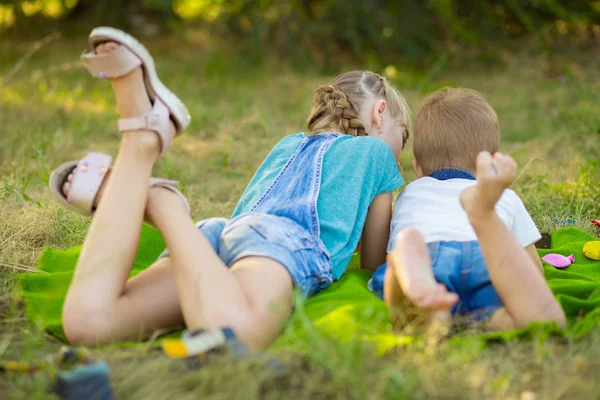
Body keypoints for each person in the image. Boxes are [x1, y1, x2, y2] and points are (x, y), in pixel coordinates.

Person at [49, 27, 411, 349]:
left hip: (223, 235)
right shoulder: (378, 153)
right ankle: (162, 204)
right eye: (403, 137)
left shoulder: (290, 143)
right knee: (237, 333)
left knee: (90, 324)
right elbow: (373, 263)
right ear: (380, 114)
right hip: (283, 245)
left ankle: (139, 142)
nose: (400, 153)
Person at [369, 88, 566, 331]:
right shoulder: (505, 196)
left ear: (418, 168)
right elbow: (533, 271)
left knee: (394, 275)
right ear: (491, 161)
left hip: (429, 253)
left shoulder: (411, 192)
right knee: (525, 318)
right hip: (485, 257)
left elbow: (385, 253)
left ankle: (427, 302)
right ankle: (489, 317)